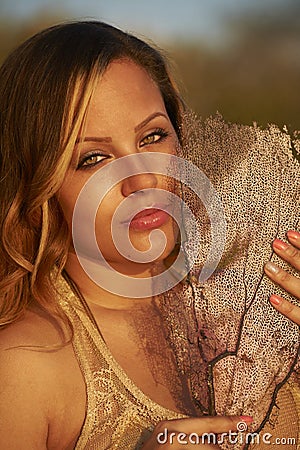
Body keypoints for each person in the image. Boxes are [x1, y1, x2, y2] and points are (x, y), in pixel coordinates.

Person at [0, 21, 299, 450]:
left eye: (152, 136)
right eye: (94, 158)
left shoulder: (258, 298)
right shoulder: (25, 366)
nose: (140, 182)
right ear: (37, 190)